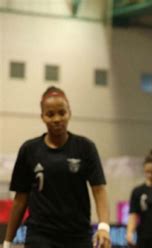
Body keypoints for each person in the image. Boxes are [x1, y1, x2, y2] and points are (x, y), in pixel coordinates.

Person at [3, 86, 111, 248]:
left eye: (62, 112)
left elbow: (99, 190)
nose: (57, 119)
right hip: (40, 236)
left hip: (77, 236)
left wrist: (104, 227)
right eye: (50, 114)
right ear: (42, 117)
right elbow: (20, 199)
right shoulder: (29, 150)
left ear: (69, 113)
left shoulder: (85, 148)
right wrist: (7, 242)